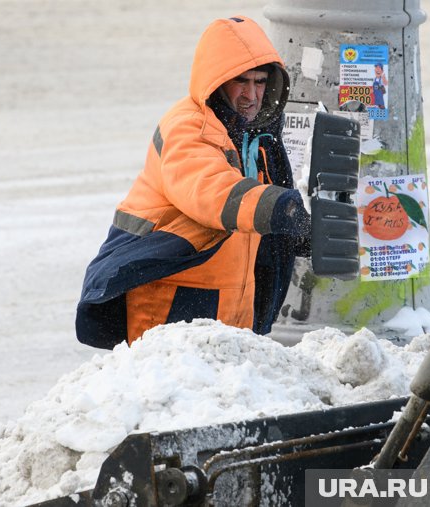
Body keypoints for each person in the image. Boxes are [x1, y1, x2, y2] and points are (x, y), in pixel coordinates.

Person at [75, 16, 311, 349]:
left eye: (260, 83)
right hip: (173, 301)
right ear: (216, 83)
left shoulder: (255, 137)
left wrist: (298, 230)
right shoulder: (187, 127)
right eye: (241, 82)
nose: (251, 95)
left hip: (230, 305)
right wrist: (279, 209)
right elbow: (210, 189)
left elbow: (260, 216)